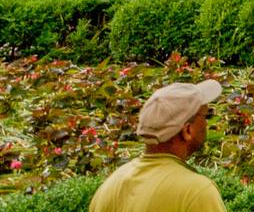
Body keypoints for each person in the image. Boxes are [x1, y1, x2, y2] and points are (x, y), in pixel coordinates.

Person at [88, 79, 227, 212]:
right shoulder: (197, 192)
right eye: (205, 116)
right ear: (187, 130)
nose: (206, 123)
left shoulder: (110, 186)